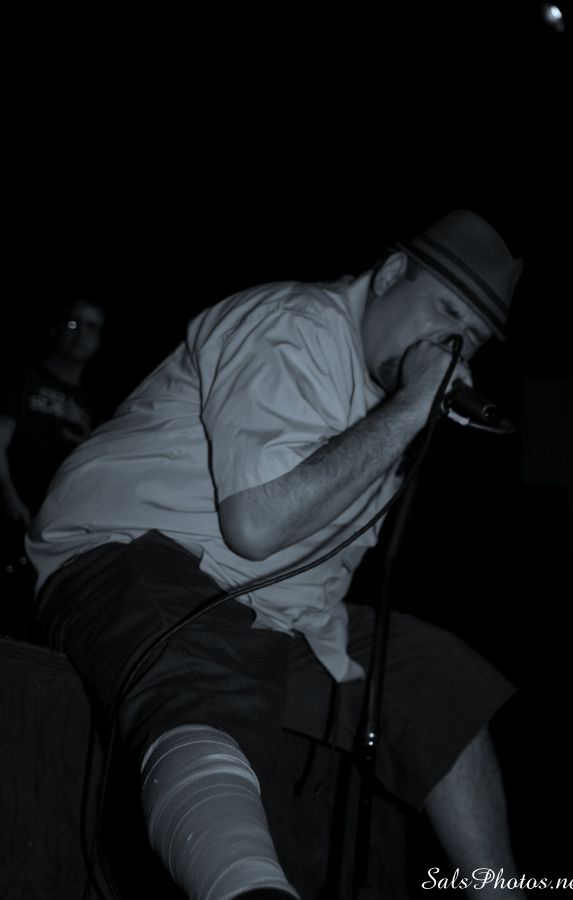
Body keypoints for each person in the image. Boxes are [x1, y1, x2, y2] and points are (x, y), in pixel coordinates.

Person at [26, 211, 524, 900]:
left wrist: (404, 411)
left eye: (472, 336)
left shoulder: (387, 402)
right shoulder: (295, 325)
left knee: (436, 678)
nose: (451, 344)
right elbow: (256, 526)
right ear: (390, 275)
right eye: (445, 309)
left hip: (271, 614)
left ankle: (501, 893)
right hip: (132, 553)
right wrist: (413, 408)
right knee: (203, 666)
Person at [0, 297, 105, 636]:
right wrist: (10, 499)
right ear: (55, 329)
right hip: (11, 514)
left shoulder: (92, 403)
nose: (81, 333)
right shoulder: (23, 377)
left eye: (91, 326)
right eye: (74, 323)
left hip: (52, 527)